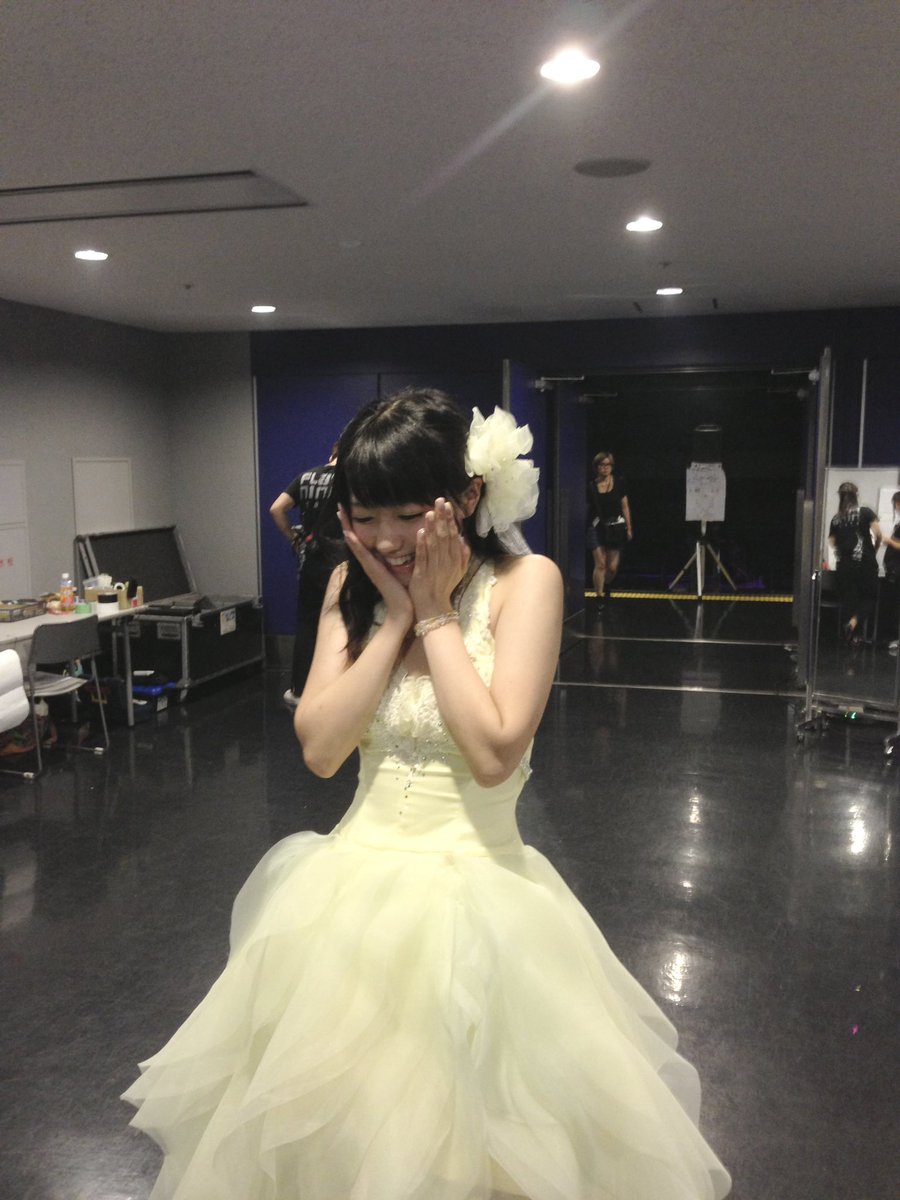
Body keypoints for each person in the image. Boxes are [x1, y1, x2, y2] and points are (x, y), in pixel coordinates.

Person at [123, 389, 730, 1200]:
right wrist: (393, 618)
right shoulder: (351, 587)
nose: (384, 538)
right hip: (342, 904)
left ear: (467, 497)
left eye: (407, 515)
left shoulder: (527, 583)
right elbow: (321, 749)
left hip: (481, 906)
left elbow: (493, 750)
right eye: (364, 516)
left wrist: (437, 615)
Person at [269, 445, 343, 706]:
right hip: (343, 559)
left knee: (308, 623)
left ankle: (300, 689)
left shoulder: (306, 477)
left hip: (312, 558)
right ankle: (337, 691)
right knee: (344, 622)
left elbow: (276, 509)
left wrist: (293, 538)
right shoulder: (352, 479)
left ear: (331, 455)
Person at [828, 480, 883, 644]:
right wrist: (874, 549)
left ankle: (851, 637)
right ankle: (854, 623)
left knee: (849, 599)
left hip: (845, 566)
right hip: (865, 564)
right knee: (870, 598)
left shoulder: (836, 519)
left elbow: (832, 542)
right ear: (856, 495)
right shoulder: (865, 512)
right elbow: (879, 534)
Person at [587, 450, 632, 607]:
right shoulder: (591, 487)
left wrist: (629, 527)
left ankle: (607, 584)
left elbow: (625, 506)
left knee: (611, 567)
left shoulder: (619, 483)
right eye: (601, 465)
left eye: (608, 465)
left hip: (615, 528)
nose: (605, 468)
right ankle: (598, 597)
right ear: (596, 467)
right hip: (597, 526)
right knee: (600, 563)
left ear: (612, 467)